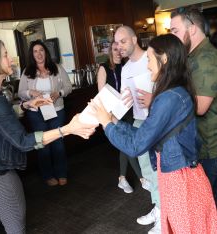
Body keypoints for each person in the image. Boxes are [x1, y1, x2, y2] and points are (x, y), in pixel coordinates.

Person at [0, 38, 96, 234]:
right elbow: (24, 142)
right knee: (16, 228)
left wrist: (25, 105)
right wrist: (68, 129)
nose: (11, 60)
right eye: (5, 55)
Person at [90, 33, 217, 234]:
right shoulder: (175, 91)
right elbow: (145, 134)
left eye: (149, 59)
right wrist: (113, 121)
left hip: (179, 180)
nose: (148, 65)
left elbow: (136, 145)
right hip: (180, 175)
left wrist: (107, 125)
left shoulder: (168, 98)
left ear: (164, 59)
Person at [114, 25, 160, 233]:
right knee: (147, 171)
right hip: (139, 121)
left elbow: (168, 90)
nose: (119, 46)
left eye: (123, 41)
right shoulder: (125, 69)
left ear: (134, 40)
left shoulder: (151, 58)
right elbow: (125, 99)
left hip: (158, 120)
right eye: (116, 42)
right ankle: (158, 207)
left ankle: (163, 213)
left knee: (160, 169)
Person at [170, 8, 217, 203]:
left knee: (209, 205)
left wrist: (167, 101)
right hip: (200, 143)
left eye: (175, 30)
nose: (172, 37)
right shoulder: (193, 56)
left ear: (193, 29)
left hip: (210, 147)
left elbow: (200, 107)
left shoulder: (206, 58)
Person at [97, 41, 149, 194]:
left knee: (125, 142)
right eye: (115, 49)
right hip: (113, 111)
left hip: (128, 109)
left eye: (120, 49)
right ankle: (141, 178)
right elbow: (101, 94)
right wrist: (107, 114)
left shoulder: (125, 67)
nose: (118, 52)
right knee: (126, 142)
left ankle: (122, 178)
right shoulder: (104, 68)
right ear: (110, 51)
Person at [18, 40, 73, 186]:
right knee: (42, 144)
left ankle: (61, 173)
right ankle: (48, 175)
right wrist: (31, 92)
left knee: (58, 143)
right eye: (35, 51)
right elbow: (20, 92)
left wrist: (59, 93)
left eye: (41, 50)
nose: (39, 54)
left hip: (57, 111)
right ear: (32, 54)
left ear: (45, 52)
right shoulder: (27, 71)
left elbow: (68, 86)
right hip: (36, 113)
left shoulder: (56, 67)